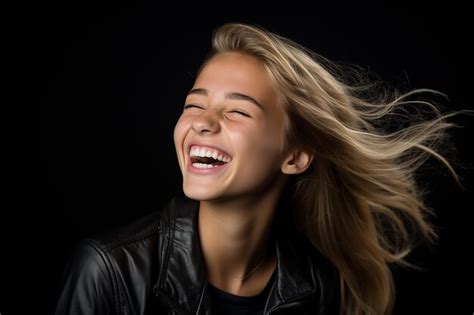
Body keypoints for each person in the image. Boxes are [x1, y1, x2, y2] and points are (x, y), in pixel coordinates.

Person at [55, 22, 470, 315]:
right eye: (194, 104)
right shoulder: (107, 270)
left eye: (237, 111)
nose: (202, 121)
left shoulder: (321, 283)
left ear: (294, 156)